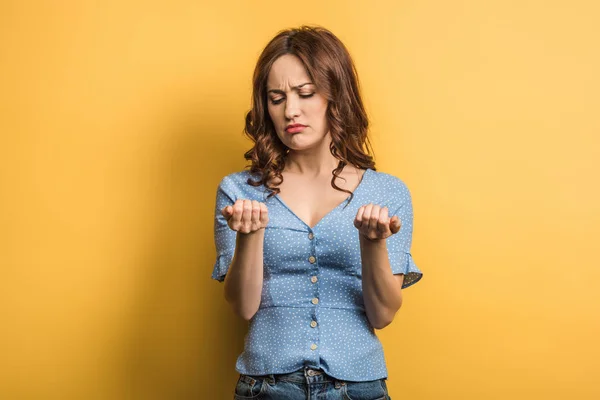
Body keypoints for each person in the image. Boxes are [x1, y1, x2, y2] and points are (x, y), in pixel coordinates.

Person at [212, 25, 423, 400]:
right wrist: (250, 235)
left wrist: (372, 243)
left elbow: (383, 316)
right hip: (266, 387)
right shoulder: (240, 191)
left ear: (335, 97)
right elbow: (243, 307)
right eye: (276, 99)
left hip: (358, 387)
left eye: (305, 93)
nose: (290, 110)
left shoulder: (387, 191)